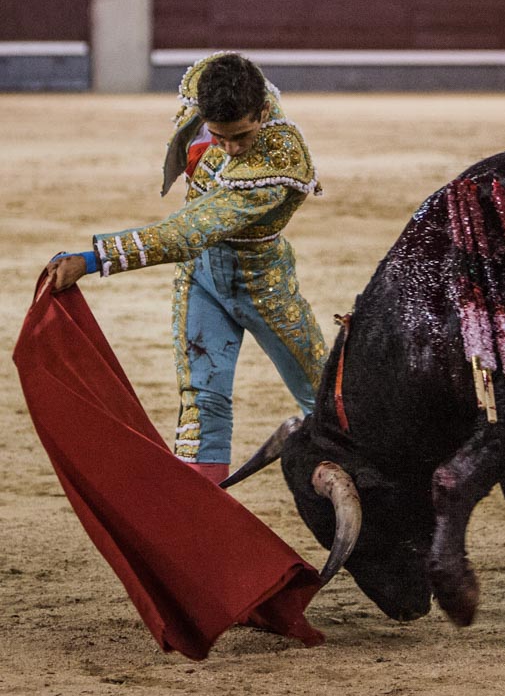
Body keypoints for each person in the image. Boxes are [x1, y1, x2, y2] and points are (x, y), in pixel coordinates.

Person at [43, 52, 327, 484]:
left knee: (325, 399)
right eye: (220, 136)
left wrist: (92, 259)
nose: (231, 148)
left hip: (262, 286)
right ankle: (201, 512)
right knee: (202, 402)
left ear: (263, 112)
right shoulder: (206, 91)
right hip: (201, 279)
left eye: (242, 136)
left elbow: (189, 232)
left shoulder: (277, 160)